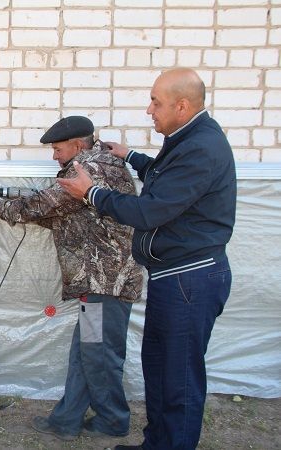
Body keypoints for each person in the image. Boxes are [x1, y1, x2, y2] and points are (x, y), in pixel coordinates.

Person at [58, 68, 236, 450]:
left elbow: (150, 210)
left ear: (182, 105)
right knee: (158, 367)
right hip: (169, 278)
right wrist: (132, 156)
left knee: (172, 375)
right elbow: (165, 177)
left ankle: (142, 433)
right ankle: (154, 442)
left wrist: (90, 194)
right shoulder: (188, 139)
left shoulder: (200, 146)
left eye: (156, 102)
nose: (148, 110)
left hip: (178, 281)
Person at [0, 116, 144, 440]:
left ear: (78, 145)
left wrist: (2, 210)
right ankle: (66, 420)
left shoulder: (91, 168)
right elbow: (62, 217)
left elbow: (49, 203)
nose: (54, 155)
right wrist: (15, 211)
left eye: (57, 148)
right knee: (87, 351)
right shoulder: (90, 167)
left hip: (106, 283)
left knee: (99, 354)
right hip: (99, 283)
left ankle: (113, 420)